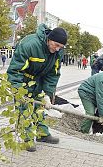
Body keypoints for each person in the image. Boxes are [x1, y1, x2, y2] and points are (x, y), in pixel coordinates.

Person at [7, 23, 67, 152]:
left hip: (38, 82)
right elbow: (15, 71)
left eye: (60, 47)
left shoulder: (58, 52)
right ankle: (27, 139)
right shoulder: (29, 44)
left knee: (39, 108)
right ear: (49, 39)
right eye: (56, 45)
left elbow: (53, 73)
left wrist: (48, 94)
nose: (57, 49)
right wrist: (19, 90)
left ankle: (42, 134)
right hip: (23, 81)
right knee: (25, 110)